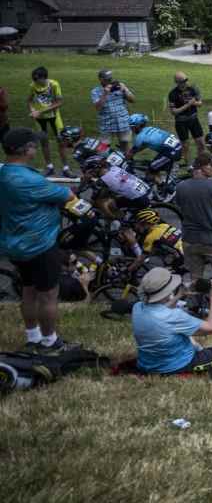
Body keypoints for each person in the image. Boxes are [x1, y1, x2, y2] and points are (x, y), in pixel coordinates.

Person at [0, 128, 76, 350]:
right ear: (26, 150)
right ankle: (50, 341)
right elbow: (68, 195)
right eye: (34, 145)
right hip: (39, 243)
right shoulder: (28, 179)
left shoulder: (4, 172)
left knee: (28, 290)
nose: (36, 149)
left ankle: (32, 337)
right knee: (48, 295)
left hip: (14, 242)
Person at [132, 267, 212, 375]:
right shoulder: (174, 316)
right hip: (179, 366)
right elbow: (211, 328)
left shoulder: (138, 307)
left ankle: (200, 350)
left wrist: (179, 295)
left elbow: (162, 311)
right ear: (168, 291)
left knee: (187, 334)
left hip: (148, 365)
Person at [175, 153, 212, 304]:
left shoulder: (181, 186)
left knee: (195, 276)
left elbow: (180, 206)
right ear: (203, 167)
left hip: (189, 239)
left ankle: (197, 305)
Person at [27, 67, 72, 177]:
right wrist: (32, 110)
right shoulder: (33, 86)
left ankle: (66, 169)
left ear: (44, 78)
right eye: (34, 79)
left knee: (61, 141)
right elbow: (29, 100)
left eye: (37, 79)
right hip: (39, 119)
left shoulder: (54, 84)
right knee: (44, 141)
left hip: (54, 117)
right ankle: (49, 167)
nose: (35, 82)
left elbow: (59, 102)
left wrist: (40, 111)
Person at [128, 114, 183, 185]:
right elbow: (144, 145)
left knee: (149, 172)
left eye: (131, 127)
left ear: (137, 126)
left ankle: (165, 187)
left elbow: (131, 153)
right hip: (177, 147)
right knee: (156, 167)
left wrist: (125, 158)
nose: (131, 129)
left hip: (170, 152)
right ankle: (163, 180)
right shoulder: (150, 128)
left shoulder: (140, 137)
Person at [90, 69, 134, 154]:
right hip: (106, 123)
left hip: (122, 121)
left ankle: (127, 160)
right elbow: (98, 107)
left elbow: (132, 100)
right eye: (107, 79)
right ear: (100, 79)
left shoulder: (119, 86)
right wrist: (105, 93)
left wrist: (124, 90)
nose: (109, 81)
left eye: (110, 79)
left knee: (125, 144)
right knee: (103, 147)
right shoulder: (95, 91)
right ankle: (103, 161)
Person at [167, 71, 206, 166]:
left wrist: (193, 103)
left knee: (201, 143)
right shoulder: (173, 94)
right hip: (181, 122)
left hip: (194, 119)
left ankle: (201, 163)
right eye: (183, 81)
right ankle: (188, 165)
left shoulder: (193, 89)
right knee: (185, 145)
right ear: (177, 82)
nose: (186, 82)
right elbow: (174, 112)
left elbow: (200, 103)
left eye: (186, 80)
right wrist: (187, 105)